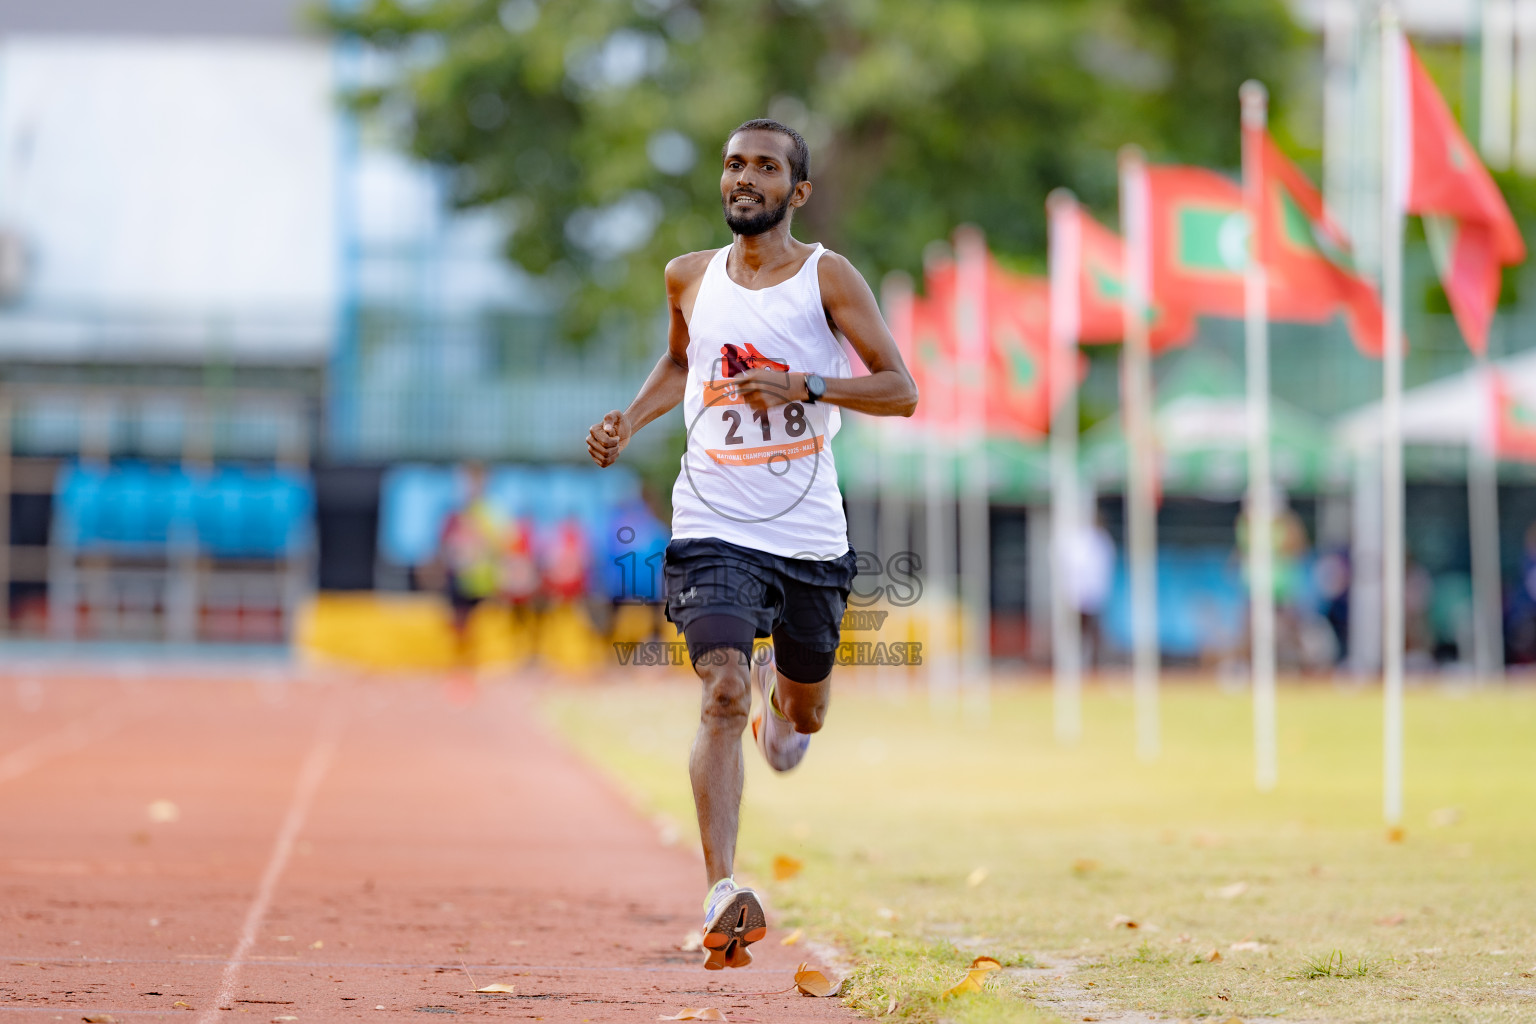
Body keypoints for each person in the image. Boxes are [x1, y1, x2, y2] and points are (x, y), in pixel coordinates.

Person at [585, 118, 917, 970]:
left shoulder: (826, 277)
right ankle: (721, 891)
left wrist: (805, 382)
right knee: (720, 690)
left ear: (796, 192)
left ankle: (786, 712)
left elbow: (900, 389)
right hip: (711, 522)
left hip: (809, 534)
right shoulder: (688, 276)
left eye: (765, 168)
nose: (745, 177)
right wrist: (630, 418)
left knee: (804, 708)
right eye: (734, 164)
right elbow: (677, 364)